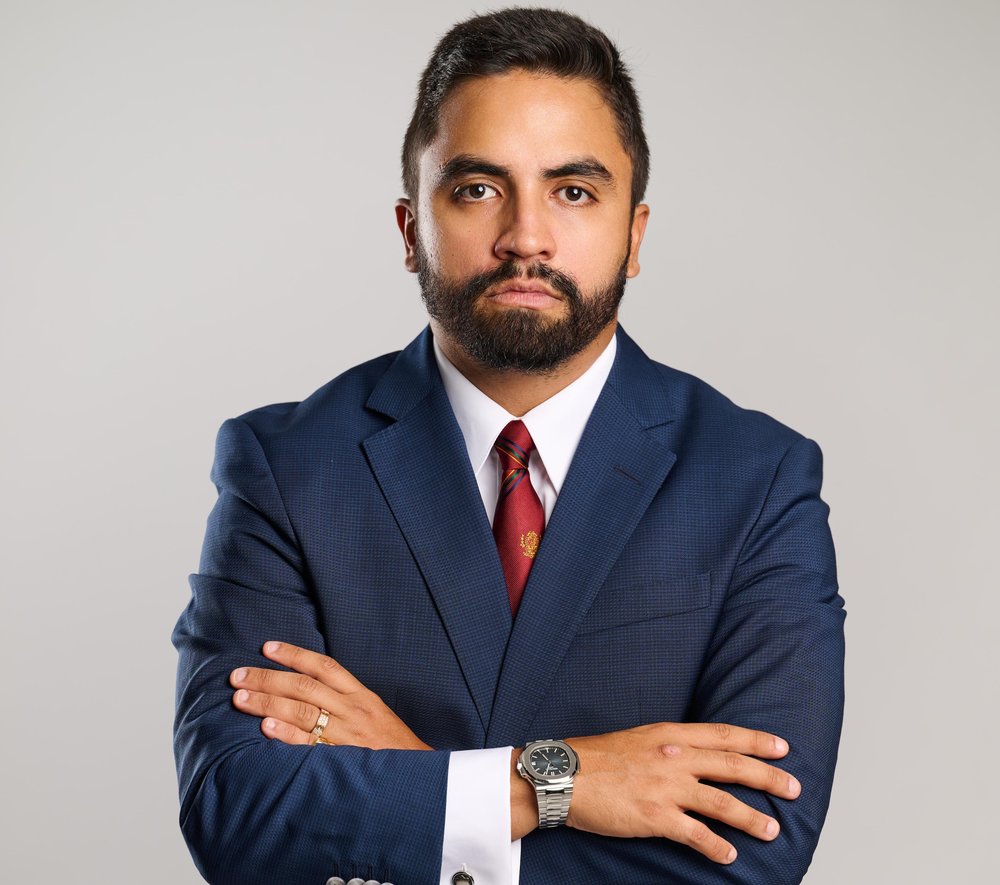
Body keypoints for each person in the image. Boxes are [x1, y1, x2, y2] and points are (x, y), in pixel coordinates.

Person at [173, 8, 845, 885]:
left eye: (574, 191)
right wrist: (557, 781)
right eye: (477, 189)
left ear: (635, 235)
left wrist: (421, 779)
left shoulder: (757, 480)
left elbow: (751, 853)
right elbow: (236, 810)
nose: (526, 236)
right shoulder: (288, 467)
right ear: (410, 228)